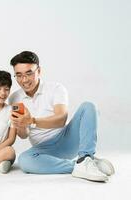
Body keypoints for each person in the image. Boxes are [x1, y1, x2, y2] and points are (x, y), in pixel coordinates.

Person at [9, 51, 115, 182]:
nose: (24, 80)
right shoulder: (14, 98)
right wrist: (22, 124)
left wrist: (32, 120)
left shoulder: (56, 88)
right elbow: (24, 135)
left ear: (39, 71)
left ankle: (85, 156)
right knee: (24, 161)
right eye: (19, 75)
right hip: (43, 149)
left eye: (29, 73)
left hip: (66, 139)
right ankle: (82, 165)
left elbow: (61, 119)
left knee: (88, 106)